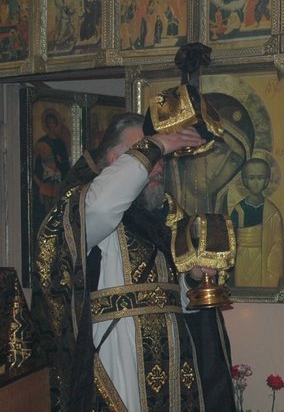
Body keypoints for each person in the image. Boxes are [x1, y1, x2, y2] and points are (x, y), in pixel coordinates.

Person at [30, 113, 236, 411]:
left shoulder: (165, 218)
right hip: (117, 368)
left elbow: (174, 301)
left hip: (175, 374)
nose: (159, 164)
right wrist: (159, 143)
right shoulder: (88, 209)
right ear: (115, 161)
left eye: (160, 156)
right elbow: (102, 206)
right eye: (148, 151)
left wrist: (191, 280)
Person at [230, 157, 284, 287]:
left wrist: (273, 265)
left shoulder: (273, 213)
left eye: (260, 178)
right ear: (245, 181)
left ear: (266, 181)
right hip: (243, 260)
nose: (255, 183)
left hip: (264, 261)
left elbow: (278, 243)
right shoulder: (238, 210)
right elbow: (231, 240)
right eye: (251, 178)